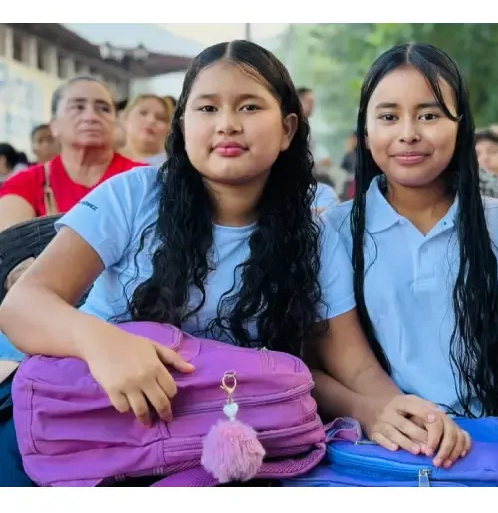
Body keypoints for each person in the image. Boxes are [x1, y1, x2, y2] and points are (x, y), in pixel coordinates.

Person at [0, 40, 461, 486]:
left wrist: (391, 409)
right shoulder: (133, 196)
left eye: (249, 107)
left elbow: (354, 366)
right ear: (183, 124)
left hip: (226, 453)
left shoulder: (312, 237)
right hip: (85, 431)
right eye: (207, 108)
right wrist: (102, 342)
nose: (227, 124)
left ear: (287, 129)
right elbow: (23, 305)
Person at [312, 42, 498, 467]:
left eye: (429, 116)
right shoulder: (332, 232)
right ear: (365, 132)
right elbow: (308, 368)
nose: (408, 133)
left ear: (461, 126)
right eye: (388, 117)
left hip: (486, 452)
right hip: (378, 452)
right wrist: (369, 410)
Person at [0, 75, 145, 292]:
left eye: (103, 109)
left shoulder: (143, 179)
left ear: (115, 121)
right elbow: (12, 253)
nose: (91, 116)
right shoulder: (25, 183)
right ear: (54, 125)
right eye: (77, 107)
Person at [118, 94, 172, 165]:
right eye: (143, 113)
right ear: (125, 117)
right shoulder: (106, 158)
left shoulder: (174, 166)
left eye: (160, 118)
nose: (151, 120)